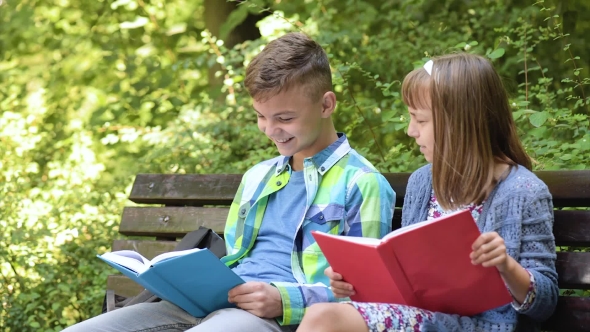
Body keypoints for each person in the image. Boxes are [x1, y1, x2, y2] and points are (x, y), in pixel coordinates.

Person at [62, 32, 395, 332]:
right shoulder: (257, 178)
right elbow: (235, 258)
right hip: (209, 307)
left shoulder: (362, 184)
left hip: (273, 317)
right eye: (261, 116)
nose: (270, 130)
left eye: (285, 118)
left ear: (326, 104)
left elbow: (363, 297)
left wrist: (286, 300)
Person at [296, 53, 559, 332]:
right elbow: (409, 281)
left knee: (324, 319)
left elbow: (545, 304)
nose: (410, 131)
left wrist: (505, 265)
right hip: (422, 318)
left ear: (458, 123)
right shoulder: (423, 182)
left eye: (420, 121)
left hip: (483, 326)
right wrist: (353, 284)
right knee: (324, 315)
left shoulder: (523, 191)